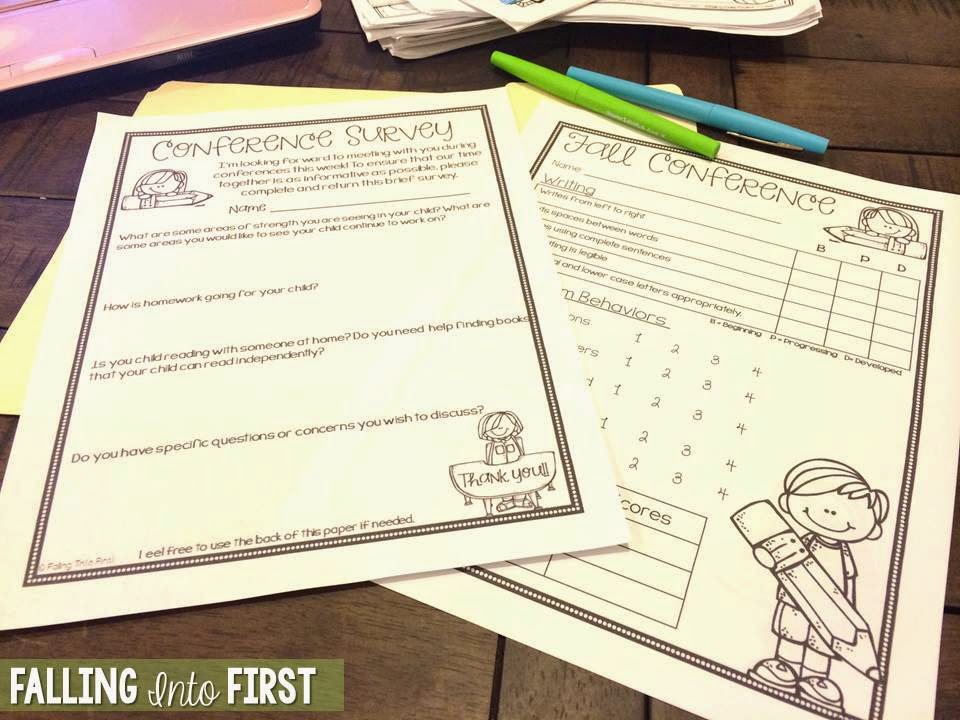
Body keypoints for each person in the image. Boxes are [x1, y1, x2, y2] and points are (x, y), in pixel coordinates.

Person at [749, 459, 889, 712]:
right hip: (795, 601)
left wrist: (847, 611)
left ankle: (816, 677)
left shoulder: (844, 554)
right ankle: (785, 666)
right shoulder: (804, 542)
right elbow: (782, 556)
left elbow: (849, 580)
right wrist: (768, 557)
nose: (834, 513)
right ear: (788, 502)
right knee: (792, 633)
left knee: (821, 643)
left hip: (833, 612)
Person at [478, 411, 533, 512]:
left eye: (506, 426)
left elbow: (524, 456)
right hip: (500, 473)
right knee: (504, 487)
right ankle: (507, 502)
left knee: (520, 485)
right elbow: (488, 461)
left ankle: (520, 500)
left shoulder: (518, 440)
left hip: (518, 470)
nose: (501, 429)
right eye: (494, 428)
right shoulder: (490, 446)